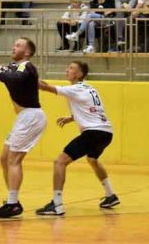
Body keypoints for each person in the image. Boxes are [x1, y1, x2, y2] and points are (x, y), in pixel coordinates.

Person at [36, 61, 118, 216]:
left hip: (93, 133)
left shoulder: (74, 89)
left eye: (71, 68)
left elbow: (45, 87)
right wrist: (71, 118)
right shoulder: (90, 88)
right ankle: (111, 195)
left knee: (60, 162)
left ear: (79, 74)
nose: (67, 70)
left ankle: (56, 205)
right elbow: (92, 109)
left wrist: (27, 77)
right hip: (106, 133)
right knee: (92, 159)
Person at [0, 29, 46, 218]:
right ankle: (12, 200)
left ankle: (13, 204)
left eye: (18, 45)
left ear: (27, 52)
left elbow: (10, 78)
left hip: (31, 116)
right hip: (24, 117)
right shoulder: (15, 66)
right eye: (14, 44)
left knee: (14, 159)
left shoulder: (27, 67)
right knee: (5, 158)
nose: (13, 47)